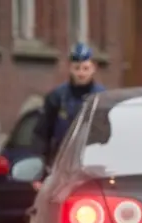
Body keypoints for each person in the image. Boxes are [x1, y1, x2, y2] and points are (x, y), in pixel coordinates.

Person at [32, 43, 105, 186]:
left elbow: (108, 136)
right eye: (77, 68)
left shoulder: (102, 98)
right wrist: (38, 174)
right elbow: (42, 135)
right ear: (70, 68)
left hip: (93, 168)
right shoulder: (57, 97)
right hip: (61, 168)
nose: (81, 73)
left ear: (93, 69)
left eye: (85, 68)